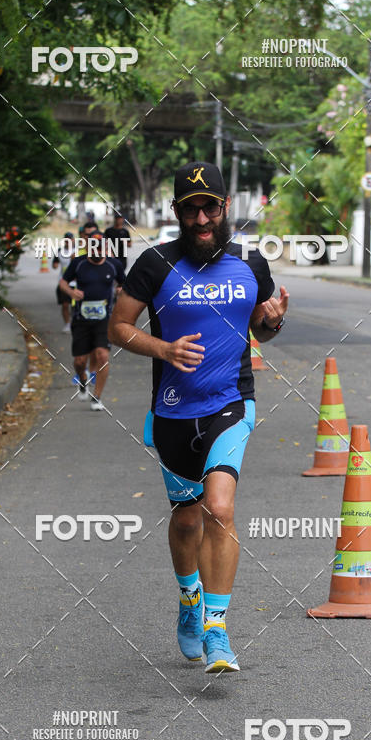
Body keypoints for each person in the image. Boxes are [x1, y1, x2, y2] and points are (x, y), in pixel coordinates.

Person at [109, 161, 288, 672]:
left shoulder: (252, 265)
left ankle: (217, 629)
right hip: (172, 411)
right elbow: (118, 328)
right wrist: (163, 349)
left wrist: (274, 323)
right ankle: (189, 601)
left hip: (231, 403)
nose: (202, 218)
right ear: (178, 213)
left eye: (210, 207)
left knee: (220, 509)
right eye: (191, 209)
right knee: (186, 517)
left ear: (226, 207)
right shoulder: (154, 265)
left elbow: (263, 326)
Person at [60, 230, 124, 411]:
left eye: (101, 247)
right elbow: (63, 283)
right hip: (81, 319)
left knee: (102, 355)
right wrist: (71, 292)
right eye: (93, 247)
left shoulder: (114, 265)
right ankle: (82, 380)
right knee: (80, 361)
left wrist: (121, 291)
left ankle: (97, 397)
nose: (97, 251)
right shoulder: (78, 264)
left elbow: (123, 284)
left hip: (104, 319)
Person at [53, 231, 75, 332]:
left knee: (75, 305)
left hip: (77, 283)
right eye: (66, 240)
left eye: (70, 239)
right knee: (65, 304)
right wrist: (55, 265)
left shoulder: (78, 251)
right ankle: (67, 324)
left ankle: (75, 323)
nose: (68, 242)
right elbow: (55, 264)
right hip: (64, 282)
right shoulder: (59, 251)